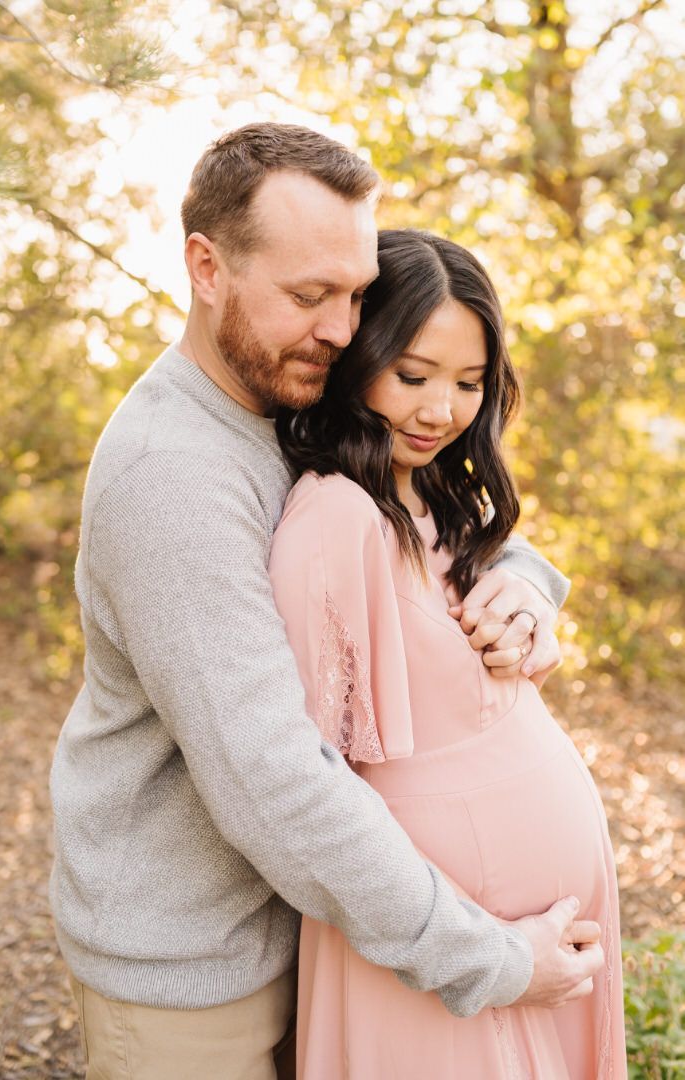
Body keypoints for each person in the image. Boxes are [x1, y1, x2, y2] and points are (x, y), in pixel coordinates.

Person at [50, 124, 604, 1080]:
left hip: (326, 930)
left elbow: (430, 509)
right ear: (206, 266)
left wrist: (524, 580)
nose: (344, 329)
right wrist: (489, 960)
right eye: (310, 296)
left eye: (354, 294)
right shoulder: (170, 477)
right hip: (197, 973)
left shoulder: (290, 395)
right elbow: (274, 780)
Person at [269, 228, 627, 1079]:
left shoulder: (436, 494)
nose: (442, 411)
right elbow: (310, 774)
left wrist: (532, 596)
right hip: (439, 945)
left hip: (542, 927)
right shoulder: (334, 518)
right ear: (358, 360)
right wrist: (474, 946)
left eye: (468, 383)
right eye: (414, 376)